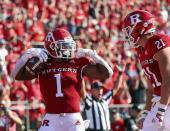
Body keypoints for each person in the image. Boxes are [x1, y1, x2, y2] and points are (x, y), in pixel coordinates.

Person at [10, 28, 113, 131]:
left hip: (73, 119)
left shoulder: (77, 62)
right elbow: (14, 75)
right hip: (51, 118)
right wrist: (28, 54)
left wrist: (91, 54)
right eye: (63, 46)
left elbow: (108, 72)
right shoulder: (43, 62)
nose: (68, 49)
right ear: (52, 46)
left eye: (69, 45)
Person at [122, 10, 170, 131]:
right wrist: (146, 113)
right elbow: (150, 88)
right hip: (160, 101)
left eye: (129, 29)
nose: (127, 34)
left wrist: (161, 111)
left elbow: (168, 78)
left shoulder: (158, 41)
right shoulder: (141, 50)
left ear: (139, 28)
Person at [82, 62, 126, 131]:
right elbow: (83, 92)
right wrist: (81, 77)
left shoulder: (105, 99)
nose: (100, 91)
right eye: (97, 89)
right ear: (92, 91)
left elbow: (115, 88)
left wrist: (120, 74)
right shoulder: (89, 101)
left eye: (101, 89)